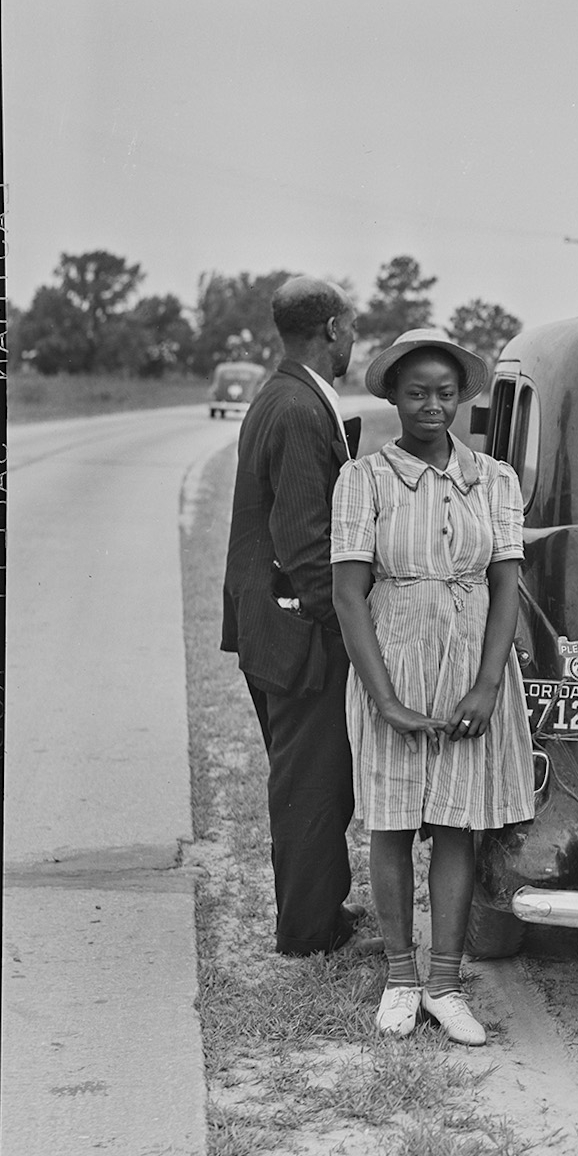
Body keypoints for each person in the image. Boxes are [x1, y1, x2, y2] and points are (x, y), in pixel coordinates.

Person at [330, 328, 537, 1045]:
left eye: (444, 393)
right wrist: (385, 699)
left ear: (462, 398)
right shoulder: (364, 479)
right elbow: (350, 595)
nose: (431, 406)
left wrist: (486, 684)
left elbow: (506, 583)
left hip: (471, 665)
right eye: (416, 392)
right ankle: (399, 978)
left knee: (456, 822)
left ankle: (445, 984)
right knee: (390, 821)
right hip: (395, 657)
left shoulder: (496, 479)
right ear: (391, 394)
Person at [220, 277, 373, 956]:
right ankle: (309, 931)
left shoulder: (285, 395)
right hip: (298, 632)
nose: (353, 343)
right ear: (333, 329)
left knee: (309, 777)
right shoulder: (298, 409)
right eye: (353, 331)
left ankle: (319, 912)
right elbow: (305, 542)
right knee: (311, 782)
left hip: (276, 624)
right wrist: (347, 630)